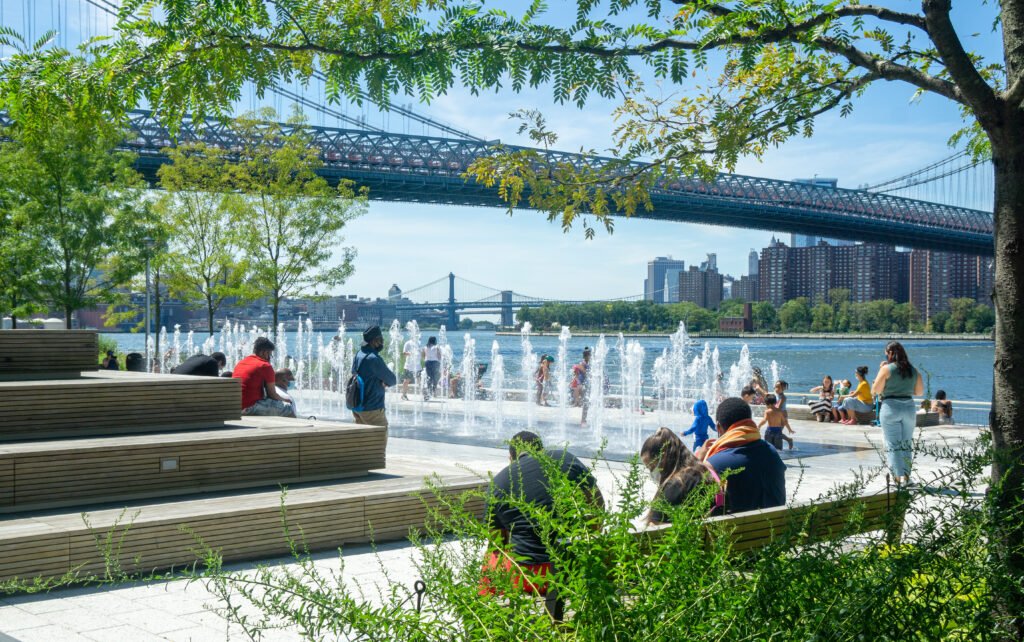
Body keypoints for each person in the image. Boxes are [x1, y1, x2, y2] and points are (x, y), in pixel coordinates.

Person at [483, 431, 604, 621]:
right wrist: (591, 539)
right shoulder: (565, 459)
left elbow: (497, 542)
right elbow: (597, 502)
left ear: (511, 457)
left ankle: (486, 620)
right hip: (573, 567)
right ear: (541, 449)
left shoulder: (498, 483)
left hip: (529, 576)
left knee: (491, 558)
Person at [697, 397, 786, 514]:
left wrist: (698, 462)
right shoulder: (771, 452)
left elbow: (690, 501)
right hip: (777, 528)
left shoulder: (713, 464)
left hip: (737, 531)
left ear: (718, 427)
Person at [641, 427, 722, 524]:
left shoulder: (674, 487)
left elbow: (653, 532)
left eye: (651, 466)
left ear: (663, 459)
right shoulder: (705, 473)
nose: (651, 472)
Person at [872, 341, 924, 484]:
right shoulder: (914, 370)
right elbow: (919, 392)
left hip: (890, 407)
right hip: (908, 407)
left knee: (892, 444)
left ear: (889, 353)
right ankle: (906, 478)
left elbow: (875, 390)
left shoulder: (886, 369)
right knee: (906, 443)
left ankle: (896, 478)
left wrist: (881, 370)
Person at [232, 338, 296, 417]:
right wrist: (286, 400)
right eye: (270, 354)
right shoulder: (264, 365)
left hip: (235, 406)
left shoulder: (241, 362)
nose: (270, 357)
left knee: (272, 404)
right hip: (249, 407)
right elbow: (272, 394)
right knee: (288, 408)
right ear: (264, 352)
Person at [350, 326, 397, 427]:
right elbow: (392, 380)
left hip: (357, 407)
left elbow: (355, 373)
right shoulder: (373, 359)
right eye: (381, 340)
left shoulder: (359, 354)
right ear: (375, 341)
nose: (382, 343)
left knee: (361, 441)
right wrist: (384, 382)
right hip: (372, 409)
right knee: (379, 440)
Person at [572, 347, 592, 426]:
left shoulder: (588, 364)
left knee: (587, 403)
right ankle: (583, 420)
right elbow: (586, 373)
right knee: (586, 403)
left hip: (587, 385)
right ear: (586, 356)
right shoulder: (582, 364)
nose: (591, 357)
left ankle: (584, 420)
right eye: (590, 355)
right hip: (582, 386)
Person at [401, 336, 422, 401]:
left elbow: (420, 351)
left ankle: (424, 395)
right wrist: (411, 353)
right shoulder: (408, 343)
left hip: (418, 365)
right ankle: (404, 395)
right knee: (406, 381)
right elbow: (404, 353)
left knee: (420, 381)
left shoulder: (419, 343)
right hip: (409, 366)